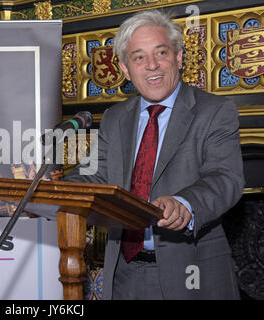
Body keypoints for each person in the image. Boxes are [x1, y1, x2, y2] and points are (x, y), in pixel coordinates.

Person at [63, 10, 244, 299]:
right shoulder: (114, 117)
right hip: (124, 274)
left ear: (179, 57)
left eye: (161, 52)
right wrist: (56, 187)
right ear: (124, 68)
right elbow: (95, 173)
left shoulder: (214, 111)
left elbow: (225, 178)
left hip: (192, 274)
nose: (152, 66)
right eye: (139, 57)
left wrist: (185, 203)